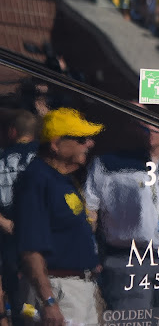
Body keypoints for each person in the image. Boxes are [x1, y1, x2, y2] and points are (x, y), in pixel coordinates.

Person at [84, 116, 159, 310]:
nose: (150, 128)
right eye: (145, 121)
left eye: (158, 123)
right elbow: (91, 212)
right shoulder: (108, 163)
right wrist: (90, 254)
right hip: (126, 259)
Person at [13, 108, 104, 326]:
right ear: (55, 144)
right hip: (58, 289)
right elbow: (31, 248)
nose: (89, 144)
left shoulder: (63, 179)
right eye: (81, 139)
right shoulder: (36, 180)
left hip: (79, 288)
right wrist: (49, 301)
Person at [0, 110, 38, 325]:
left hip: (10, 237)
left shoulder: (1, 158)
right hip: (43, 238)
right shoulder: (46, 157)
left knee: (19, 301)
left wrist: (4, 222)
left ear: (12, 131)